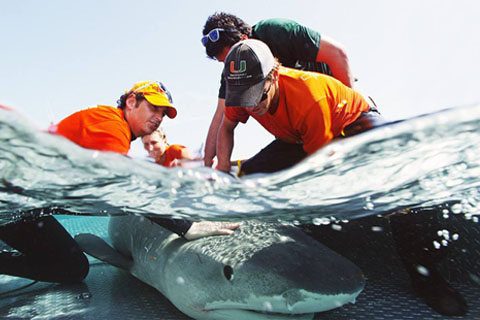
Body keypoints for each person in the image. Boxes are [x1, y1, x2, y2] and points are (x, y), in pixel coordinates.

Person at [217, 39, 468, 316]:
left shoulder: (308, 96)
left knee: (402, 186)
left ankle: (425, 276)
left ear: (273, 75)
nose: (251, 107)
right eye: (243, 98)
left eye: (257, 96)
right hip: (299, 136)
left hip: (352, 123)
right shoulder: (242, 89)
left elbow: (322, 170)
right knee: (249, 176)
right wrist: (223, 169)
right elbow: (226, 128)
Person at [0, 81, 240, 284]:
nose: (158, 117)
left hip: (25, 209)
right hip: (10, 200)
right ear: (131, 102)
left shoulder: (113, 129)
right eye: (154, 107)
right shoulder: (111, 126)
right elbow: (127, 188)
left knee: (72, 268)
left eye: (163, 114)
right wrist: (186, 227)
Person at [201, 12, 355, 167]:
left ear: (243, 40)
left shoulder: (276, 31)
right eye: (224, 62)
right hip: (294, 125)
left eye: (230, 57)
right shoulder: (235, 69)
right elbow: (221, 117)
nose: (229, 64)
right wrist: (207, 165)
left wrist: (349, 116)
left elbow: (337, 53)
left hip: (331, 104)